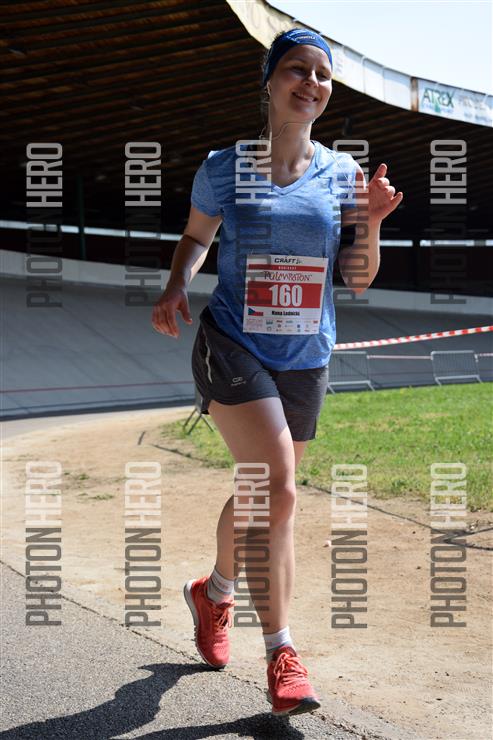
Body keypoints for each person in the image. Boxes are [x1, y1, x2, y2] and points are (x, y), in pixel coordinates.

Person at [151, 27, 403, 717]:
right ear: (268, 80)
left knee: (262, 491)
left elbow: (356, 279)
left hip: (305, 356)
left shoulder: (344, 175)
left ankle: (214, 593)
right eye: (297, 69)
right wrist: (175, 285)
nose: (311, 83)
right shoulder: (223, 167)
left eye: (323, 75)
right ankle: (281, 654)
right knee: (278, 488)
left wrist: (371, 222)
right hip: (233, 344)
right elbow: (197, 236)